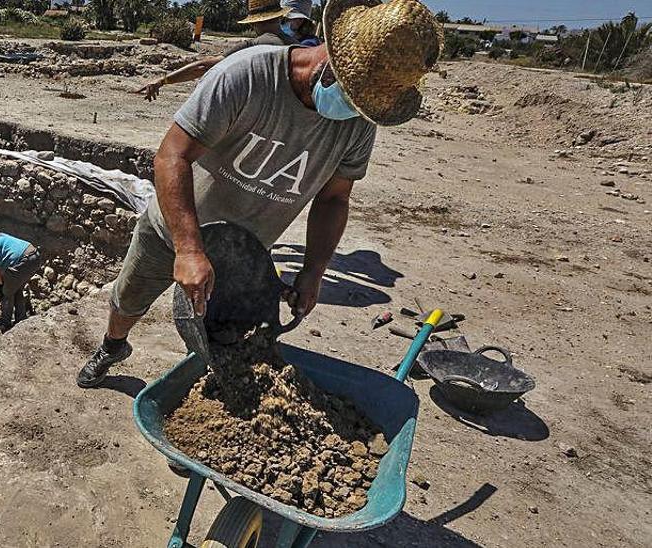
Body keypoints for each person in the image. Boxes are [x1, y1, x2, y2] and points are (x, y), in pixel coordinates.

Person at [78, 0, 442, 388]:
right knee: (128, 301)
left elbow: (334, 199)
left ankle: (206, 387)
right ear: (331, 63)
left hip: (243, 252)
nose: (354, 111)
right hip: (174, 226)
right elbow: (172, 156)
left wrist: (314, 271)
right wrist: (188, 249)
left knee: (225, 337)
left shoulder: (357, 124)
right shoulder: (247, 76)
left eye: (364, 105)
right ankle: (113, 345)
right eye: (353, 97)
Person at [135, 0, 304, 102]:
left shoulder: (254, 45)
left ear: (253, 23)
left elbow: (202, 67)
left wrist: (162, 81)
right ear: (280, 17)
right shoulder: (299, 47)